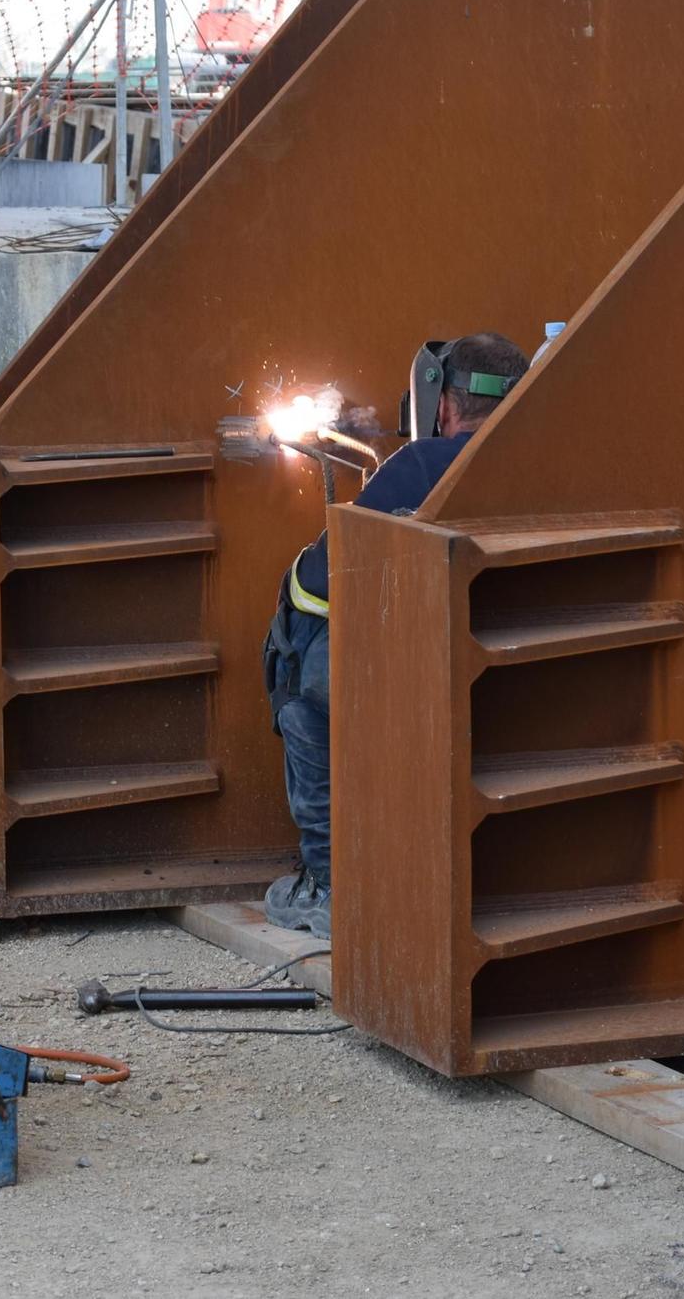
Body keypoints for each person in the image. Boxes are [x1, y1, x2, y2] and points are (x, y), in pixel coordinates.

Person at [261, 331, 531, 936]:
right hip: (496, 678)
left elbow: (333, 577)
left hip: (407, 675)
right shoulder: (542, 466)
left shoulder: (421, 465)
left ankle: (329, 884)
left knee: (295, 659)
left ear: (442, 404)